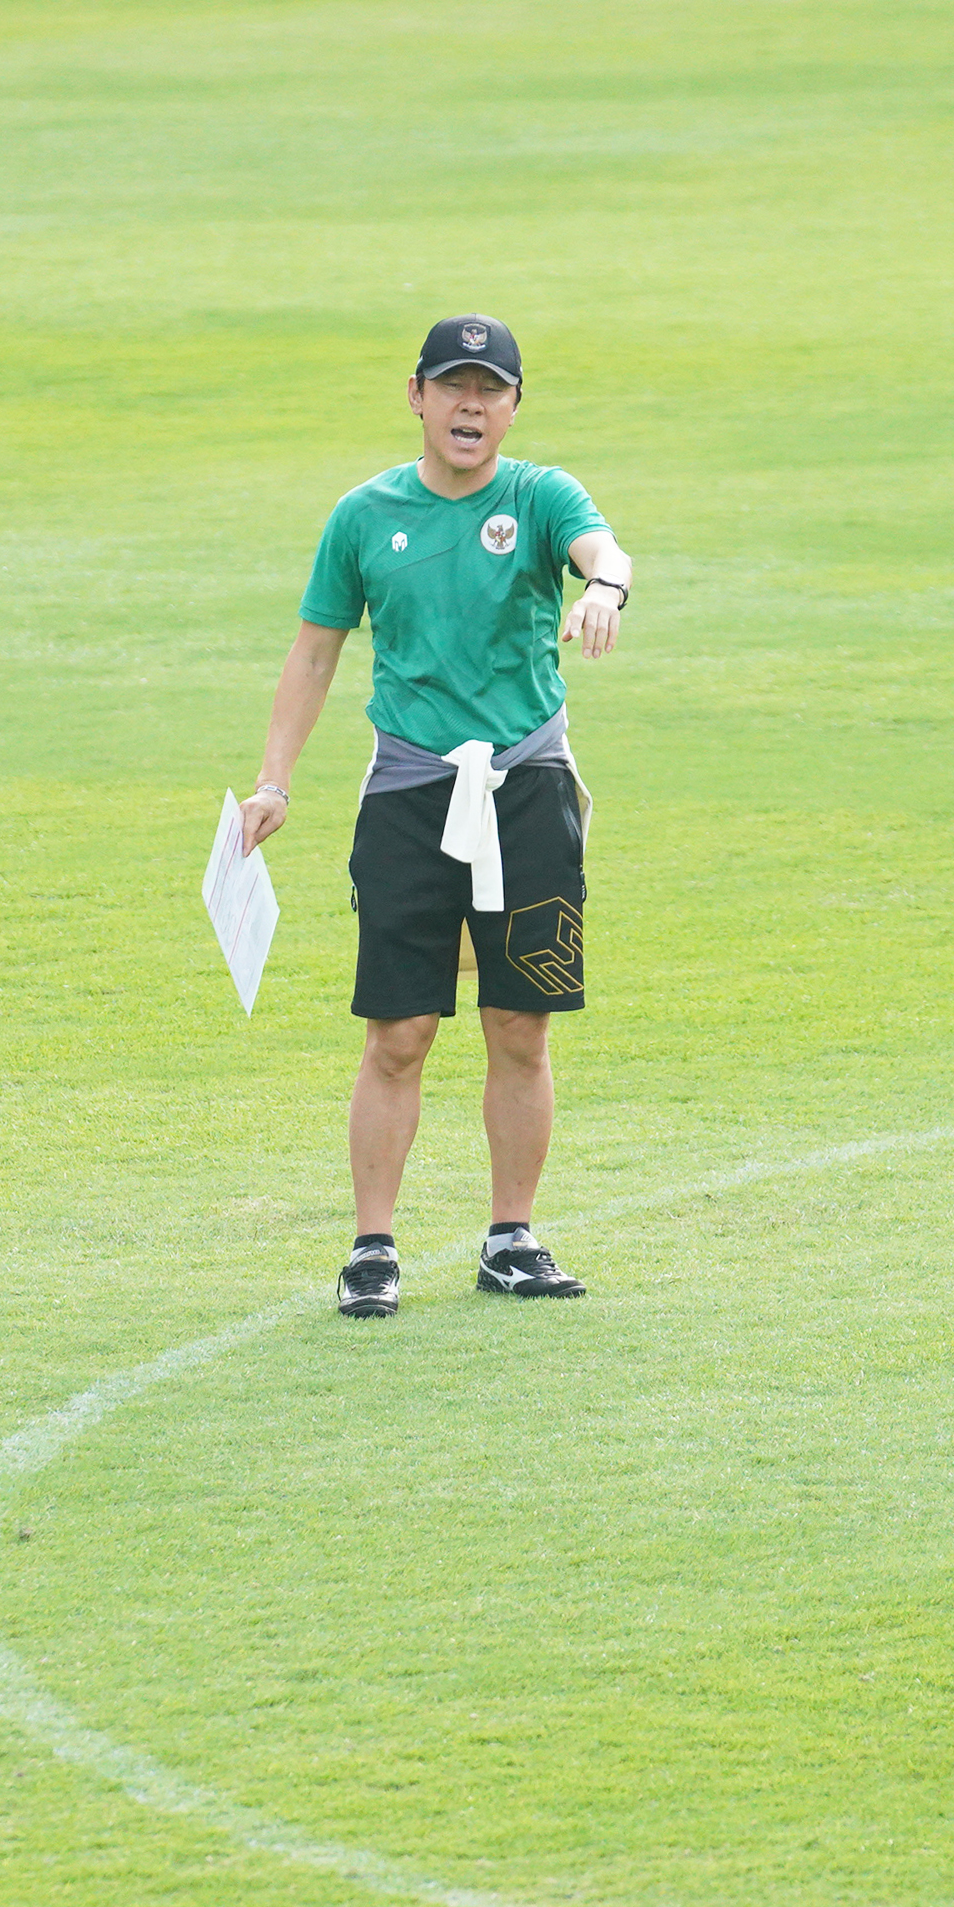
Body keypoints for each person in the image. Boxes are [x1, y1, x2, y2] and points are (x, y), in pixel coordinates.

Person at [239, 314, 631, 1319]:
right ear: (416, 395)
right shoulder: (364, 517)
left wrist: (607, 590)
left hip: (530, 789)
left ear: (512, 406)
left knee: (521, 1024)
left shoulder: (541, 496)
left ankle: (512, 1236)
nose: (471, 405)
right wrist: (275, 781)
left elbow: (602, 549)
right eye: (452, 386)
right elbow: (316, 652)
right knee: (399, 1031)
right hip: (410, 792)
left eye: (489, 390)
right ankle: (373, 1247)